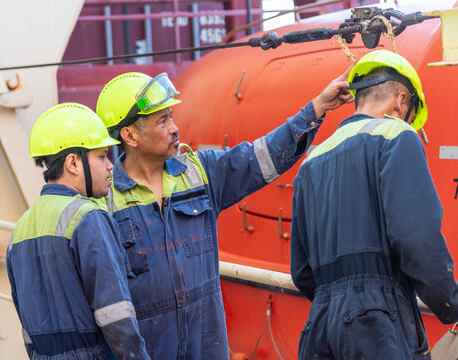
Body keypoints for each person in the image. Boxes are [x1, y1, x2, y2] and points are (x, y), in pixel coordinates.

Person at [95, 70, 353, 359]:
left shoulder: (201, 173)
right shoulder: (103, 203)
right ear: (129, 135)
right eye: (163, 121)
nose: (175, 128)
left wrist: (317, 107)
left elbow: (262, 157)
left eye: (172, 117)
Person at [290, 50, 458, 359]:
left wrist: (338, 300)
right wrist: (450, 304)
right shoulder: (397, 135)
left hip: (320, 327)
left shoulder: (310, 162)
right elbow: (417, 239)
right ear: (401, 101)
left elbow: (301, 271)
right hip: (379, 325)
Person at [6, 103, 150, 360]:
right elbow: (116, 316)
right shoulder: (88, 217)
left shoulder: (20, 230)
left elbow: (28, 327)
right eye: (101, 156)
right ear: (73, 162)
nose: (110, 166)